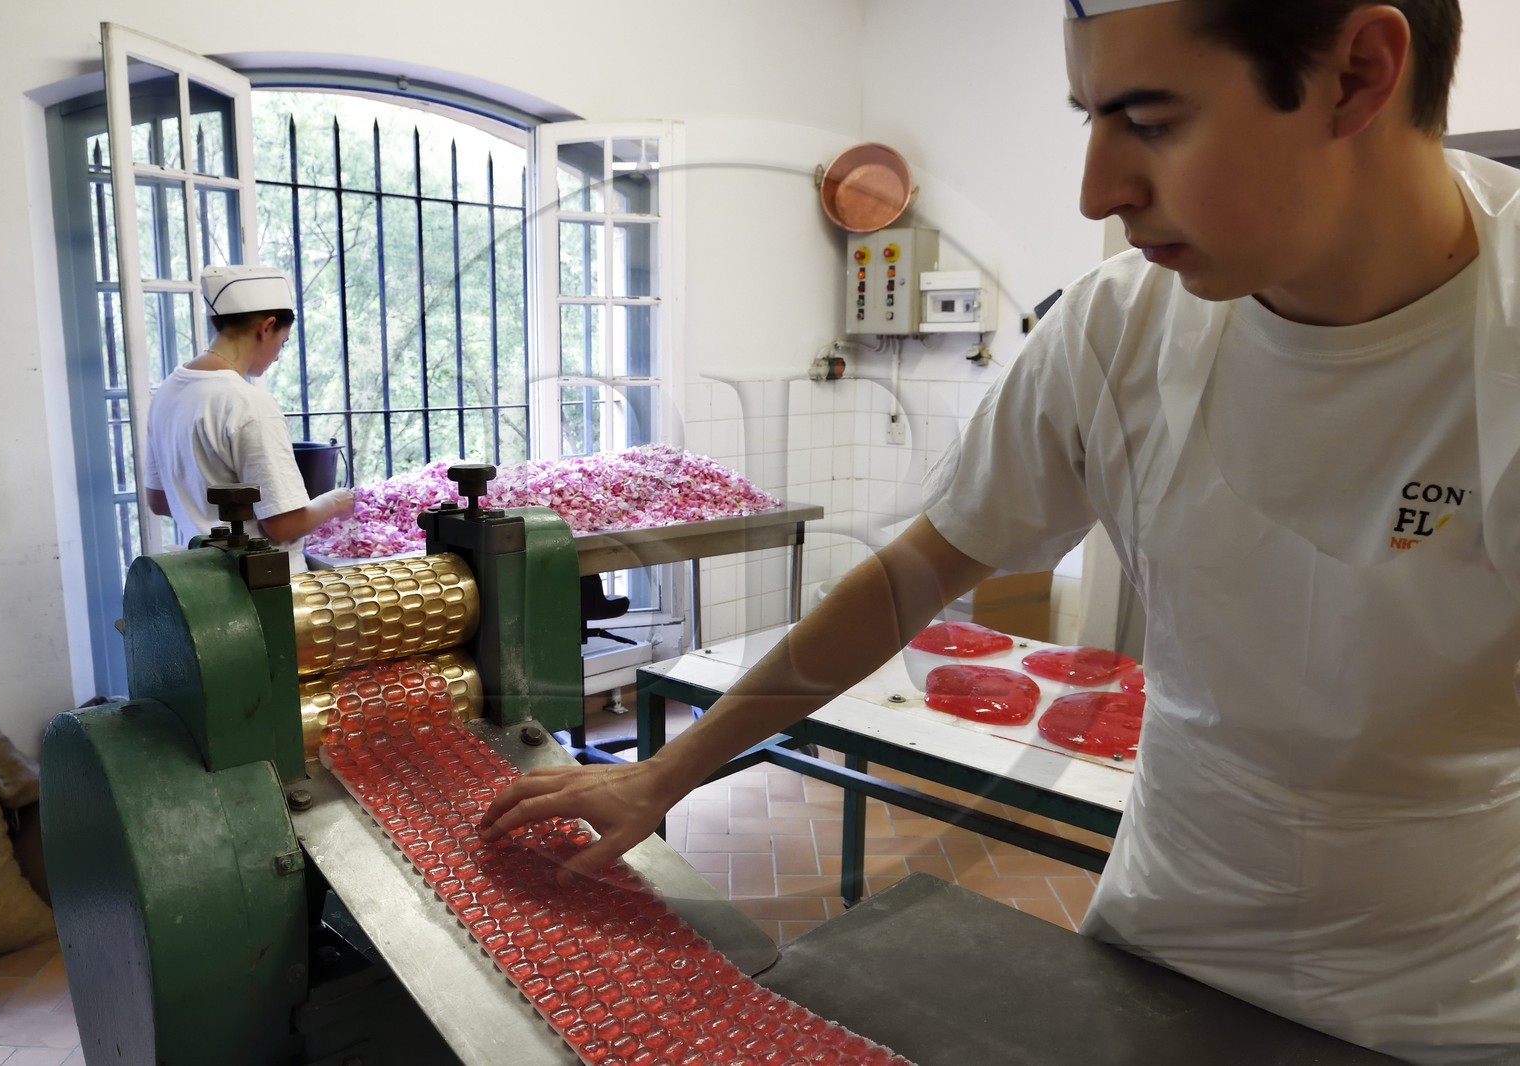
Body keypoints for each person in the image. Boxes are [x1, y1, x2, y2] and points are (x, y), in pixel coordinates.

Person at [482, 1, 1520, 1061]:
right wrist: (664, 772)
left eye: (1152, 121)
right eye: (1090, 119)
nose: (1097, 190)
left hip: (1446, 995)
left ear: (1358, 73)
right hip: (1163, 936)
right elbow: (915, 571)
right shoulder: (1118, 329)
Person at [144, 264, 353, 573]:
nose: (277, 355)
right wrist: (334, 502)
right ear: (266, 327)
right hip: (263, 585)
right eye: (282, 341)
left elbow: (159, 501)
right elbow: (283, 525)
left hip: (203, 579)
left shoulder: (167, 392)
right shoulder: (248, 404)